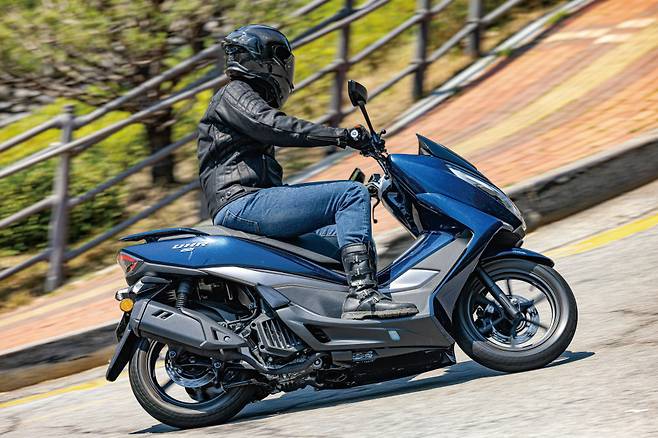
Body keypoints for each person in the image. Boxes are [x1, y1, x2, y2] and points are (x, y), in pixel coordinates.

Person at [197, 24, 418, 320]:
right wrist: (342, 136)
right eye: (281, 57)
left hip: (252, 201)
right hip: (241, 202)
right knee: (350, 195)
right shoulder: (234, 94)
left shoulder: (242, 99)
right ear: (263, 59)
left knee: (337, 237)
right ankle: (363, 296)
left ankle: (338, 319)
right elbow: (275, 126)